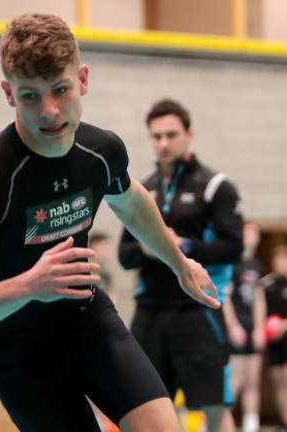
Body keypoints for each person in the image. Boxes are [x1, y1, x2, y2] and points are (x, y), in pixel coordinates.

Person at [0, 12, 220, 432]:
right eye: (30, 96)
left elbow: (130, 202)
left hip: (85, 320)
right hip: (14, 349)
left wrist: (179, 263)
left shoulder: (100, 150)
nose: (50, 110)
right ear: (8, 93)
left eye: (60, 89)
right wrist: (30, 285)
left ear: (83, 80)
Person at [118, 98, 244, 431]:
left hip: (198, 313)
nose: (163, 143)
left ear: (189, 134)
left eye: (171, 135)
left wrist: (183, 246)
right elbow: (124, 255)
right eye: (156, 136)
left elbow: (234, 247)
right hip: (149, 315)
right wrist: (147, 250)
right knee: (144, 408)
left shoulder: (216, 187)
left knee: (214, 407)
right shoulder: (141, 190)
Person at [222, 220, 265, 432]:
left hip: (251, 326)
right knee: (236, 378)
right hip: (236, 324)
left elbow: (258, 298)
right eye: (248, 232)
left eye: (254, 233)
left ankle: (251, 424)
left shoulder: (255, 265)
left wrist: (259, 328)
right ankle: (221, 423)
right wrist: (232, 326)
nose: (251, 237)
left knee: (253, 379)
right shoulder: (231, 262)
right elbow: (225, 296)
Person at [257, 245, 287, 432]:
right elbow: (258, 309)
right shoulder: (265, 284)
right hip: (275, 340)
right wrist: (263, 329)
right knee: (279, 380)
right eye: (278, 260)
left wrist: (284, 325)